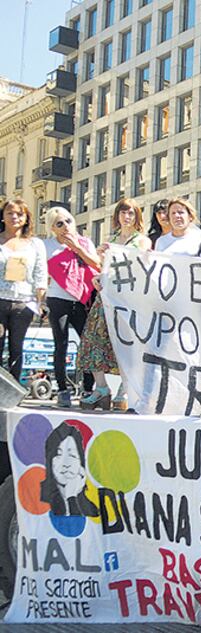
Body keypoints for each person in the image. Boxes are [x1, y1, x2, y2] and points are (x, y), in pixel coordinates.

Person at [76, 198, 151, 411]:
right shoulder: (115, 238)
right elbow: (108, 268)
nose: (126, 217)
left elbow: (138, 263)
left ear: (137, 218)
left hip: (127, 299)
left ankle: (125, 389)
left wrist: (114, 250)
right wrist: (99, 275)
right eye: (123, 213)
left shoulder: (141, 240)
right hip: (106, 296)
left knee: (125, 343)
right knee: (93, 339)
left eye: (131, 214)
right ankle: (101, 388)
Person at [43, 207, 99, 407]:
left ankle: (88, 388)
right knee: (61, 343)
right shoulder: (46, 246)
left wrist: (78, 249)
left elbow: (98, 265)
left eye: (68, 221)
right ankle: (63, 389)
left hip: (82, 299)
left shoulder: (84, 242)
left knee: (87, 344)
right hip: (57, 299)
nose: (65, 226)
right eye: (59, 223)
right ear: (52, 228)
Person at [0, 198, 47, 382]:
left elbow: (40, 275)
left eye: (19, 214)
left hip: (23, 303)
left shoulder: (35, 244)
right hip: (0, 301)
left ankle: (12, 390)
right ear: (3, 216)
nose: (14, 217)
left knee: (16, 348)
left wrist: (40, 302)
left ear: (26, 218)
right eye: (10, 213)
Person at [39, 422, 98, 517]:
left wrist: (72, 496)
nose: (66, 464)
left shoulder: (91, 509)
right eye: (59, 455)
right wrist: (71, 498)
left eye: (72, 455)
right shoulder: (39, 503)